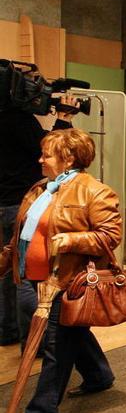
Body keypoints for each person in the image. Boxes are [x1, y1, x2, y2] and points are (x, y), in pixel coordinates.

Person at [1, 128, 120, 412]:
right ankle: (98, 374)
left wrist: (72, 240)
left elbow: (111, 235)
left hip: (66, 281)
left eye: (47, 155)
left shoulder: (95, 191)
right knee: (71, 332)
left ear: (68, 159)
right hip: (31, 277)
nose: (40, 160)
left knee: (56, 345)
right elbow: (19, 238)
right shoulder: (40, 189)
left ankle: (40, 409)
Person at [0, 94, 78, 346]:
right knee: (27, 275)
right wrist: (63, 119)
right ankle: (36, 341)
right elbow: (51, 149)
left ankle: (8, 331)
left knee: (9, 272)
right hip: (23, 205)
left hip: (6, 205)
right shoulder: (17, 119)